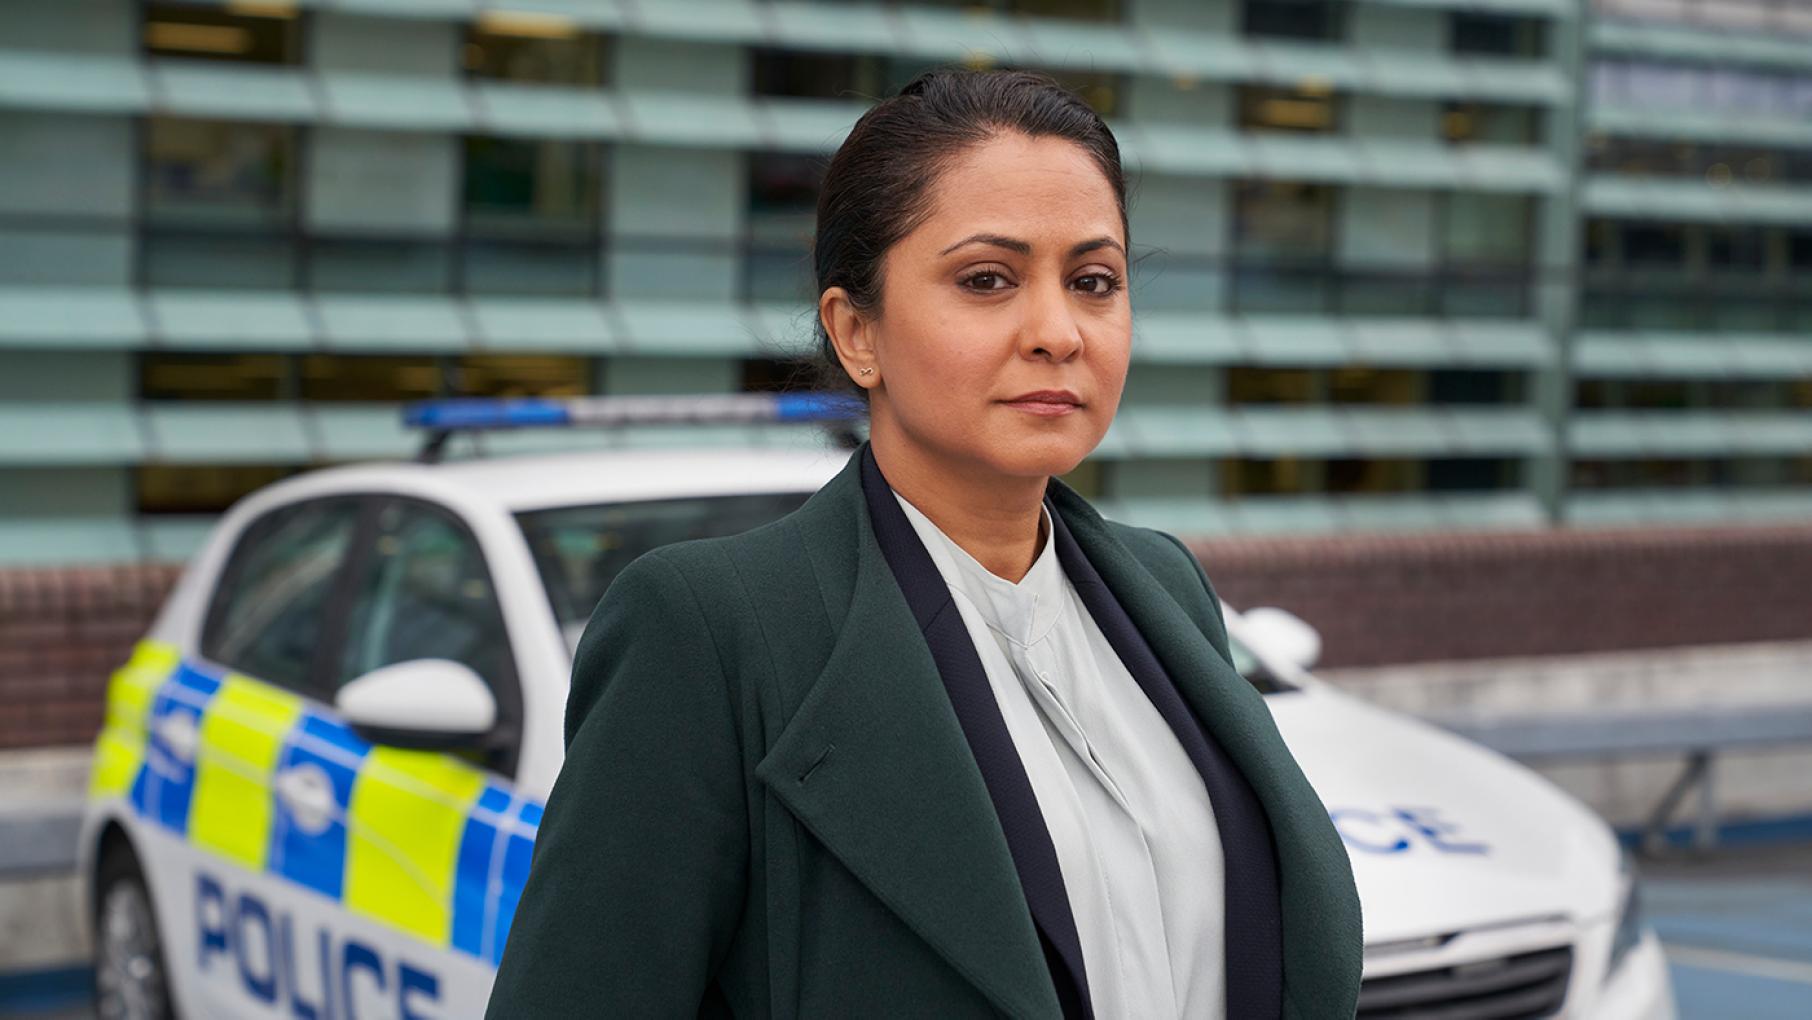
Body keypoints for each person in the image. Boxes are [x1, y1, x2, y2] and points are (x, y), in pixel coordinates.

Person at [485, 68, 1362, 1019]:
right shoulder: (710, 632)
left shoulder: (1164, 585)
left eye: (1093, 281)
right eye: (988, 279)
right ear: (857, 332)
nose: (1058, 332)